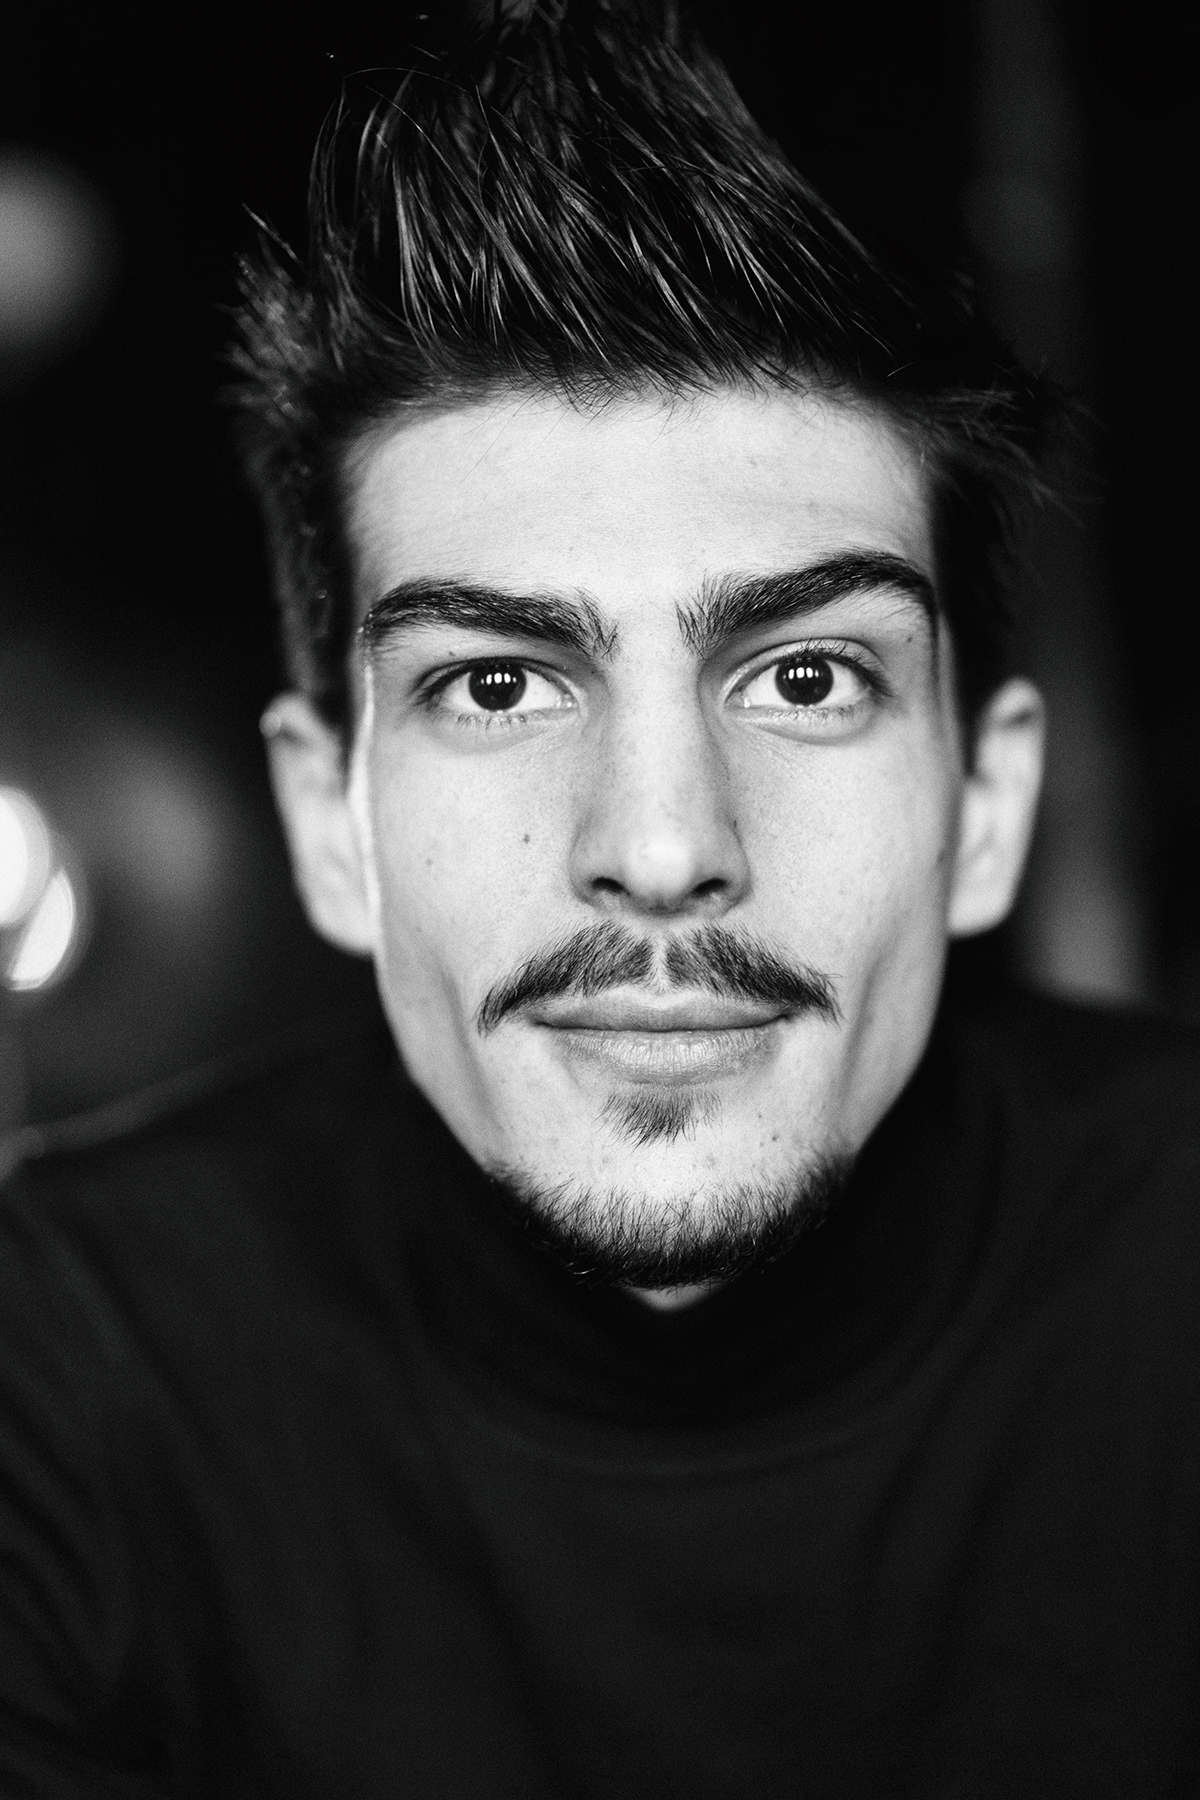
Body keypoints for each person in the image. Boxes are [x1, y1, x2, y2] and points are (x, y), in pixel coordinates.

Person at [2, 2, 1197, 1794]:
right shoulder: (62, 1361)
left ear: (986, 806)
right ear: (330, 821)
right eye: (495, 684)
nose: (657, 843)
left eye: (805, 678)